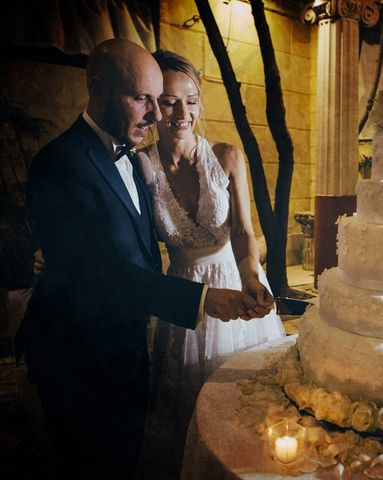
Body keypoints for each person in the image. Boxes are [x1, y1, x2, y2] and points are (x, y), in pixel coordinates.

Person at [16, 39, 271, 480]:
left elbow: (129, 244)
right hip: (80, 357)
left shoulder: (133, 161)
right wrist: (202, 299)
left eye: (168, 101)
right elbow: (97, 272)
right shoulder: (63, 163)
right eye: (145, 100)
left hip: (133, 339)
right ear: (97, 89)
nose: (159, 116)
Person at [136, 49, 285, 479]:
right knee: (187, 400)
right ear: (151, 103)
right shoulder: (140, 167)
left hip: (235, 280)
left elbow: (242, 231)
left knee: (242, 400)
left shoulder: (228, 156)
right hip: (185, 293)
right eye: (168, 101)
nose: (182, 112)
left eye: (191, 100)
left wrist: (252, 275)